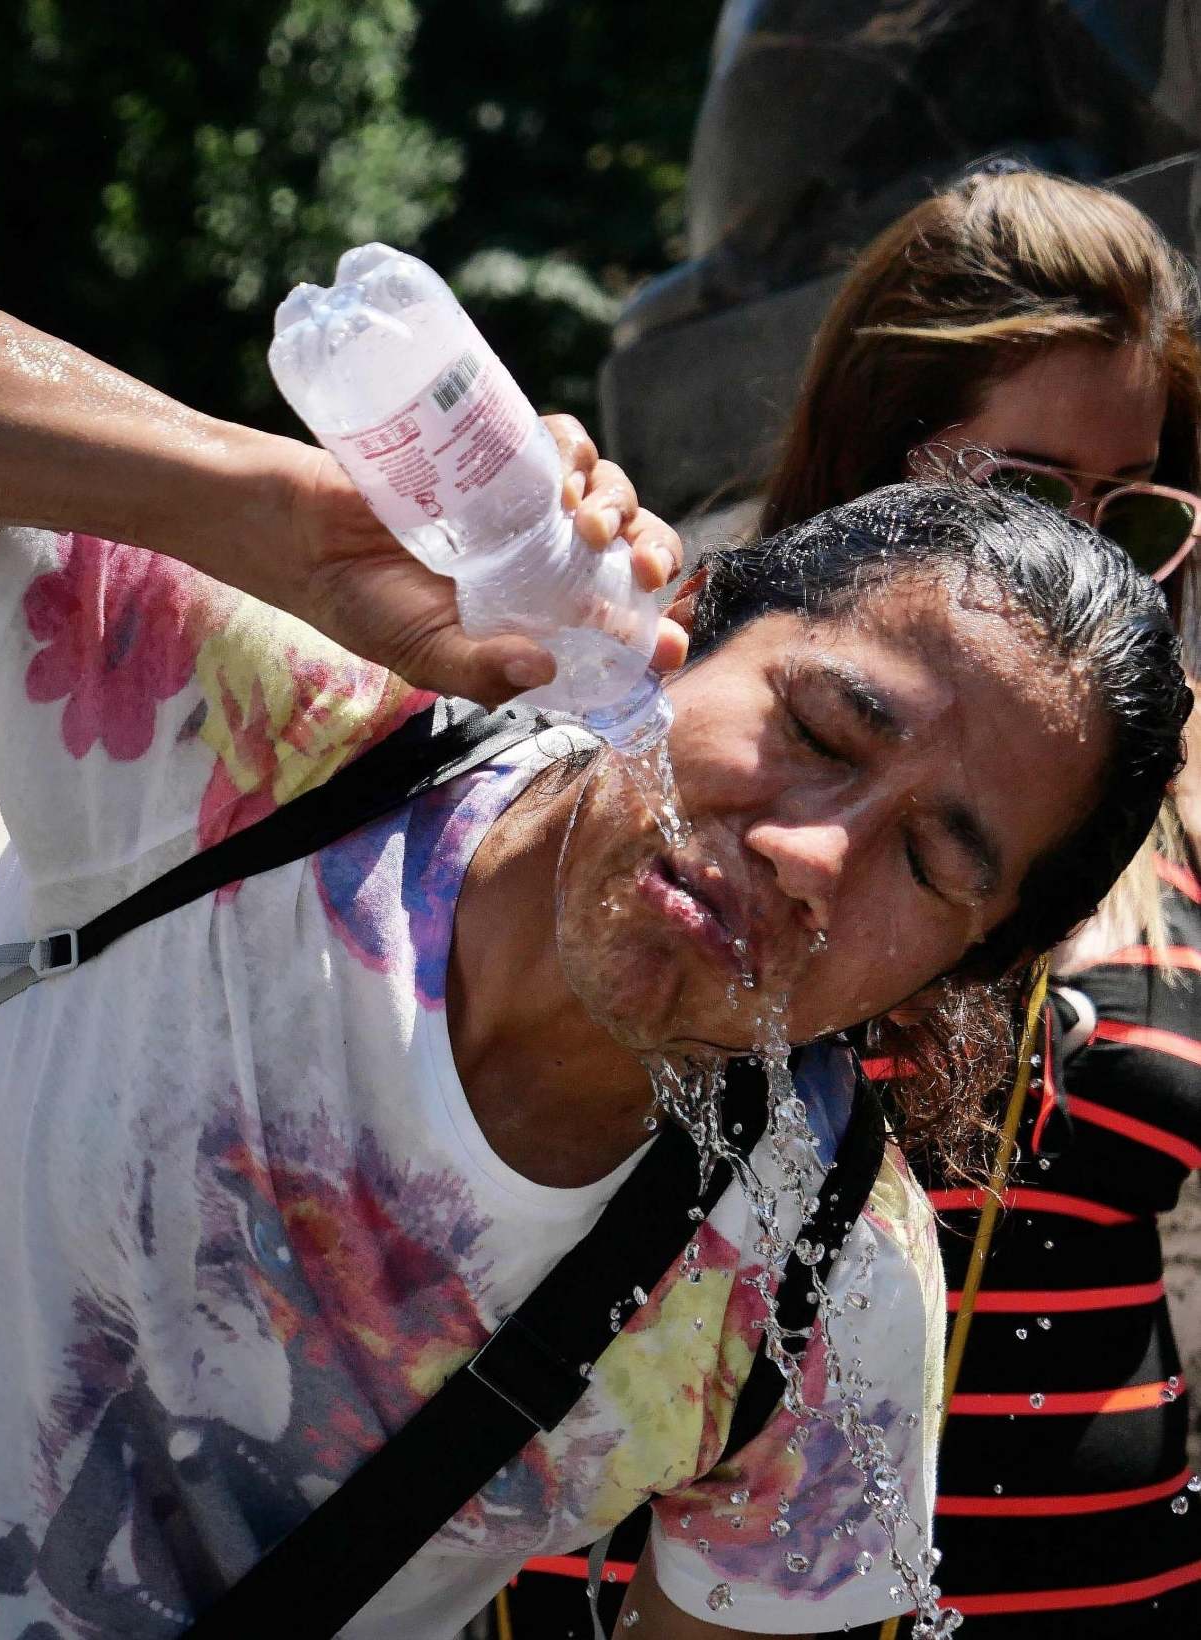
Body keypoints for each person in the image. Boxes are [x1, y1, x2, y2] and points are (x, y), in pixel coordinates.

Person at [0, 255, 1188, 1639]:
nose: (807, 849)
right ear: (689, 629)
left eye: (932, 862)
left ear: (960, 972)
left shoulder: (826, 1294)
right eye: (821, 725)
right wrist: (268, 511)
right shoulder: (273, 743)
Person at [505, 162, 1201, 1640]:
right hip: (691, 1589)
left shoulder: (1184, 798)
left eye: (1129, 514)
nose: (1078, 556)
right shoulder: (699, 728)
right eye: (1027, 488)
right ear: (892, 446)